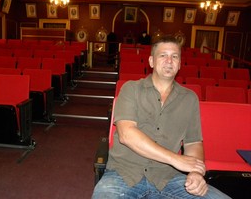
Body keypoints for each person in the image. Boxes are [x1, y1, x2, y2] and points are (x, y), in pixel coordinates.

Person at [92, 36, 231, 198]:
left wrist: (195, 173)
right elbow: (127, 135)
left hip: (168, 178)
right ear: (151, 61)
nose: (169, 61)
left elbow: (193, 143)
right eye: (163, 55)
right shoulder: (131, 89)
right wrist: (176, 160)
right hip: (124, 174)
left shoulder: (189, 98)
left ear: (179, 64)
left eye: (175, 56)